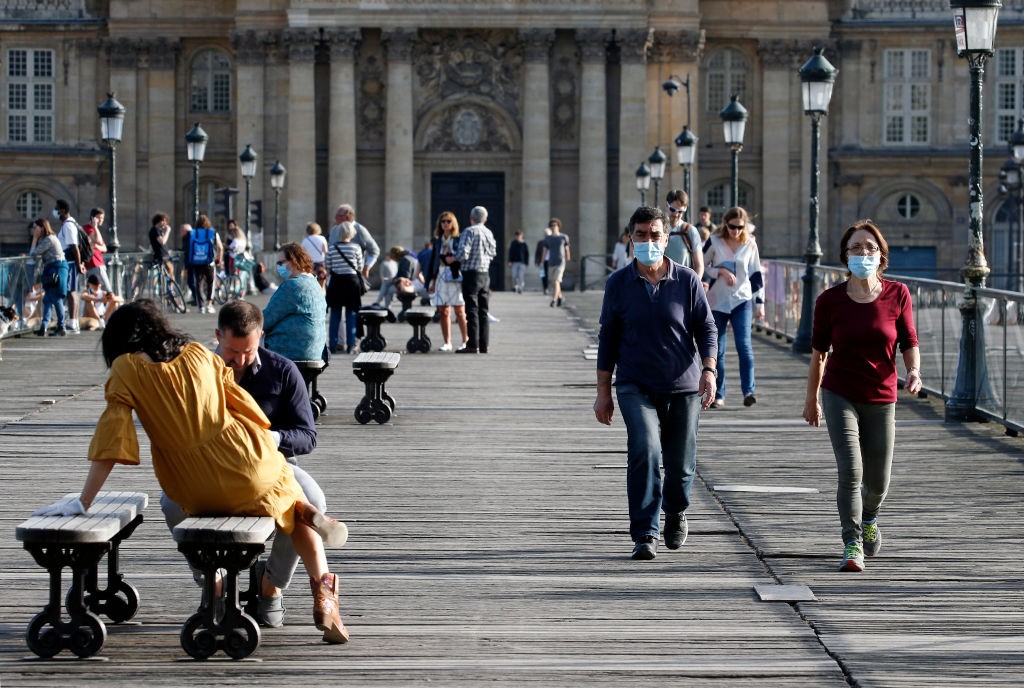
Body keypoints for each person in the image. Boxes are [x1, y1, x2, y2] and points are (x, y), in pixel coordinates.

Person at [34, 300, 350, 644]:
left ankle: (212, 588)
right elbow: (243, 408)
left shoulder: (126, 369)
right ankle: (325, 598)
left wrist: (83, 500)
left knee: (178, 505)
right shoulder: (200, 354)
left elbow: (110, 444)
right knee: (291, 501)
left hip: (190, 484)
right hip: (248, 464)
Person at [161, 300, 327, 627]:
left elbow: (307, 435)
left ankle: (270, 587)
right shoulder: (197, 372)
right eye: (232, 352)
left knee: (314, 503)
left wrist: (272, 439)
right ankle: (214, 583)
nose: (239, 361)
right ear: (217, 337)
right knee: (170, 503)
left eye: (248, 352)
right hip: (211, 469)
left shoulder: (282, 371)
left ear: (261, 336)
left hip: (273, 468)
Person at [593, 206, 718, 561]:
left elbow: (706, 328)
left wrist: (709, 369)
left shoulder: (688, 280)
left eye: (655, 235)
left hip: (683, 385)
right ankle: (645, 532)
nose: (649, 241)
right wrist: (603, 392)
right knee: (645, 451)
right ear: (631, 238)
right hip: (635, 384)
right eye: (641, 235)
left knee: (680, 465)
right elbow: (608, 339)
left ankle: (676, 511)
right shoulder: (618, 283)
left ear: (667, 239)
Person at [802, 220, 921, 573]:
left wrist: (914, 371)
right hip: (840, 393)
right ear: (845, 255)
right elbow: (819, 353)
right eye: (856, 248)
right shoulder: (830, 300)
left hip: (882, 395)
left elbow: (909, 341)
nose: (863, 253)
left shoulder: (897, 294)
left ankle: (869, 517)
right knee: (851, 471)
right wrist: (812, 399)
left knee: (878, 481)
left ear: (881, 255)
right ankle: (852, 542)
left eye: (870, 247)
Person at [702, 206, 764, 408]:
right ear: (725, 224)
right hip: (717, 300)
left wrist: (760, 303)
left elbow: (756, 275)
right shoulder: (714, 241)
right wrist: (719, 271)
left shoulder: (750, 244)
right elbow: (701, 266)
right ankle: (719, 394)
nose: (735, 231)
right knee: (717, 349)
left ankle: (749, 391)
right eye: (732, 226)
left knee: (744, 346)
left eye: (740, 227)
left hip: (741, 300)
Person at [263, 243, 328, 363]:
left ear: (293, 261)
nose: (278, 267)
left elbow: (266, 319)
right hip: (315, 351)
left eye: (280, 263)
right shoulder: (314, 283)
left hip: (290, 350)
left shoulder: (292, 285)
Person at [455, 205, 497, 354]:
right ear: (485, 219)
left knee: (471, 309)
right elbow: (493, 252)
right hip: (485, 274)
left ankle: (473, 344)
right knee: (483, 311)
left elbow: (462, 254)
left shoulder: (469, 231)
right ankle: (484, 345)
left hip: (471, 274)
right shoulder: (489, 233)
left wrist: (453, 258)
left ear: (471, 218)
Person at [428, 211, 468, 352]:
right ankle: (447, 342)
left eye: (448, 221)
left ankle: (465, 340)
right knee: (444, 311)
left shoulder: (459, 238)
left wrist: (455, 258)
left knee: (459, 311)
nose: (445, 223)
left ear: (453, 223)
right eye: (443, 221)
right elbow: (433, 261)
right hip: (441, 274)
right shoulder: (437, 240)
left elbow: (465, 255)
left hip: (455, 275)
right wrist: (431, 281)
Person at [325, 221, 364, 353]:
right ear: (352, 233)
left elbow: (328, 267)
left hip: (336, 282)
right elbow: (360, 266)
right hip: (352, 283)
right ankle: (351, 344)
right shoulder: (356, 248)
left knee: (335, 314)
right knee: (351, 314)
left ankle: (333, 344)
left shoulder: (332, 248)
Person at [29, 217, 68, 337]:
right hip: (53, 269)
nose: (34, 230)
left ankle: (60, 326)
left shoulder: (48, 240)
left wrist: (34, 238)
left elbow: (33, 254)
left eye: (36, 227)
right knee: (47, 300)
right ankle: (44, 326)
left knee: (56, 298)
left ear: (42, 227)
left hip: (56, 269)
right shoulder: (48, 239)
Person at [53, 200, 84, 334]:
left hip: (69, 263)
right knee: (72, 292)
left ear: (63, 210)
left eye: (57, 209)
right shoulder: (69, 224)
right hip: (70, 262)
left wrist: (78, 264)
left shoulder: (68, 225)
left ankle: (72, 323)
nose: (55, 212)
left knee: (71, 292)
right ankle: (74, 322)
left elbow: (74, 247)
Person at [184, 214, 223, 314]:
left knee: (198, 283)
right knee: (211, 282)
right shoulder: (212, 232)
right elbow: (220, 247)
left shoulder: (192, 233)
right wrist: (219, 259)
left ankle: (201, 306)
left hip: (196, 261)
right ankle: (209, 304)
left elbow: (187, 248)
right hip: (209, 261)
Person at [328, 204, 379, 278]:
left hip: (354, 275)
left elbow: (375, 250)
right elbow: (330, 251)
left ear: (347, 217)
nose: (335, 219)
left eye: (338, 216)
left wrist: (366, 268)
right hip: (336, 276)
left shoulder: (360, 230)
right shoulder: (334, 230)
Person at [664, 190, 704, 278]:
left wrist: (693, 287)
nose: (676, 214)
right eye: (673, 209)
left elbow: (699, 266)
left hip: (683, 286)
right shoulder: (658, 230)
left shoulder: (690, 231)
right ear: (667, 205)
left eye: (680, 211)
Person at [83, 207, 112, 293]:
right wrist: (95, 227)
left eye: (102, 218)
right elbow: (99, 241)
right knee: (107, 291)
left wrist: (95, 245)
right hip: (94, 264)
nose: (101, 220)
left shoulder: (95, 231)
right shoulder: (87, 228)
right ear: (93, 218)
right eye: (99, 218)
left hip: (98, 263)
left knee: (96, 292)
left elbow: (104, 248)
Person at [543, 218, 571, 307]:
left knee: (556, 281)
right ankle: (560, 297)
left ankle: (554, 300)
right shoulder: (548, 238)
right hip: (551, 262)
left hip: (560, 262)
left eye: (555, 225)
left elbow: (567, 248)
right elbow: (545, 250)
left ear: (558, 226)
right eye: (551, 225)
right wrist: (542, 260)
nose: (553, 227)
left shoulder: (564, 237)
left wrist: (568, 257)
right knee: (553, 282)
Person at [302, 221, 330, 289]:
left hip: (310, 265)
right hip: (321, 265)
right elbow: (326, 252)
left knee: (311, 286)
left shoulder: (305, 240)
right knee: (322, 285)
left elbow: (303, 254)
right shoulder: (322, 238)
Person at [535, 227, 551, 294]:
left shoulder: (552, 242)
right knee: (542, 275)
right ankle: (545, 288)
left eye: (547, 234)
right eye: (545, 234)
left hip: (550, 261)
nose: (546, 235)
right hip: (542, 261)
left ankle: (548, 288)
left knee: (549, 275)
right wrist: (537, 261)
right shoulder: (540, 243)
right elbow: (537, 252)